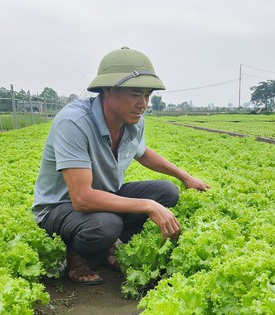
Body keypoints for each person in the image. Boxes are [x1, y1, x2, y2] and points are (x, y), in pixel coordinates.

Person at [32, 47, 209, 285]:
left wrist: (184, 176)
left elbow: (142, 152)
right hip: (60, 209)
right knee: (107, 224)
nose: (143, 103)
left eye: (147, 95)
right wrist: (147, 205)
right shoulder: (74, 122)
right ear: (107, 90)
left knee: (167, 191)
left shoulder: (133, 122)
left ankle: (104, 247)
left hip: (103, 198)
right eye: (136, 94)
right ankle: (78, 256)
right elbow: (82, 199)